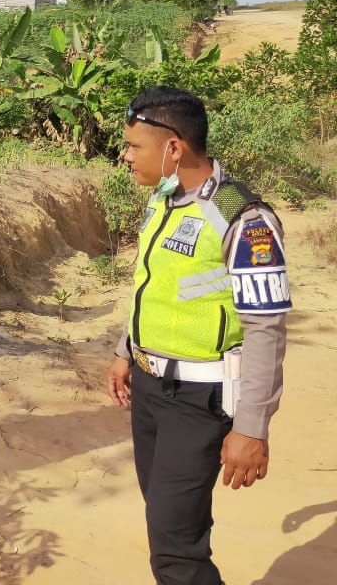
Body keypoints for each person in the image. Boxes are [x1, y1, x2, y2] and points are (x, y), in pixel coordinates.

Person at [105, 85, 292, 585]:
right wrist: (127, 351)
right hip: (149, 390)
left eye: (132, 147)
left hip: (200, 400)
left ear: (173, 148)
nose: (125, 157)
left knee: (175, 551)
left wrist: (251, 427)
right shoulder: (163, 200)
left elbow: (266, 328)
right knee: (169, 523)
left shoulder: (244, 218)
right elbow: (156, 285)